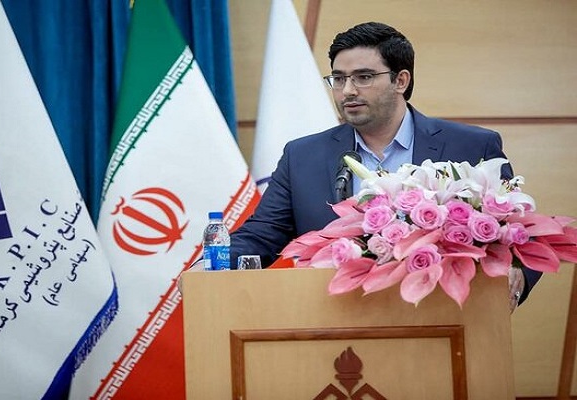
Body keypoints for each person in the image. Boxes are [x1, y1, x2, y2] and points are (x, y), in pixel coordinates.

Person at [230, 21, 540, 308]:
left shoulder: (470, 146)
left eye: (363, 77)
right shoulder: (302, 156)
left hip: (442, 317)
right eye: (339, 79)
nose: (348, 90)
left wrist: (517, 275)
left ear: (400, 80)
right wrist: (214, 259)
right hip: (333, 317)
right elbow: (263, 233)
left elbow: (522, 232)